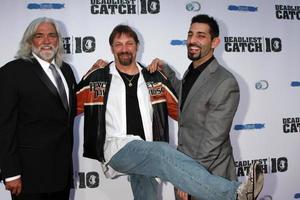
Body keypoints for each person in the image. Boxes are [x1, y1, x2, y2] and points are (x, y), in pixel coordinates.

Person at [76, 24, 264, 200]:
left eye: (129, 43)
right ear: (111, 49)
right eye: (118, 44)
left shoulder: (154, 78)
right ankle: (235, 195)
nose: (124, 48)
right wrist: (88, 75)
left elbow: (184, 115)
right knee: (162, 152)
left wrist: (185, 176)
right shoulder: (99, 77)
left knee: (147, 192)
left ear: (137, 46)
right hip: (117, 149)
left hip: (146, 151)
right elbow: (68, 108)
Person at [148, 14, 241, 200]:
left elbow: (212, 141)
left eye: (200, 35)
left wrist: (188, 179)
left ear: (215, 42)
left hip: (210, 177)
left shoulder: (225, 82)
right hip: (186, 170)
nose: (192, 40)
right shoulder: (192, 71)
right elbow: (185, 94)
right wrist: (165, 68)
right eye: (190, 34)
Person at [0, 17, 76, 200]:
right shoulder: (12, 72)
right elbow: (4, 125)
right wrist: (10, 173)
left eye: (52, 35)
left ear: (58, 40)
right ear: (29, 41)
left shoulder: (66, 70)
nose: (47, 41)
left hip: (61, 175)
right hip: (29, 178)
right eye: (39, 36)